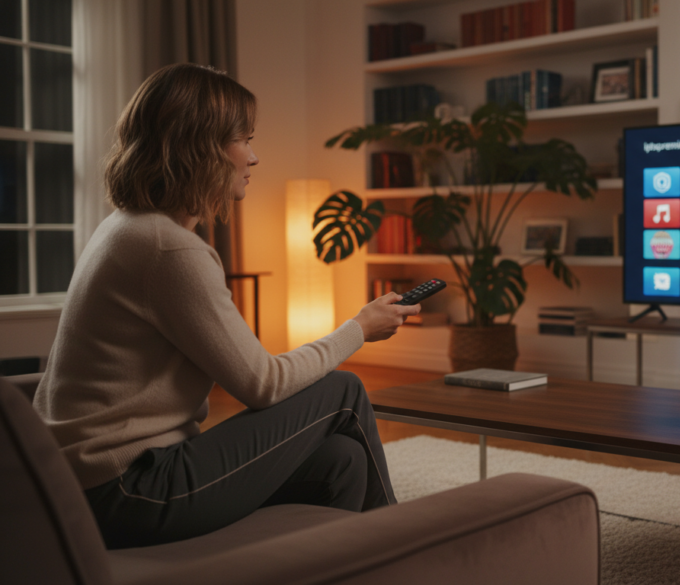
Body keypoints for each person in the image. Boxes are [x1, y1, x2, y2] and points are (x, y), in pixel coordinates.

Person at [32, 63, 420, 549]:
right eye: (244, 139)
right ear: (201, 147)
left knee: (343, 459)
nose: (254, 157)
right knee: (344, 391)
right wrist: (359, 328)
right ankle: (407, 552)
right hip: (128, 491)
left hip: (90, 486)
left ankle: (332, 564)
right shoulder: (168, 249)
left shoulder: (127, 227)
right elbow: (263, 384)